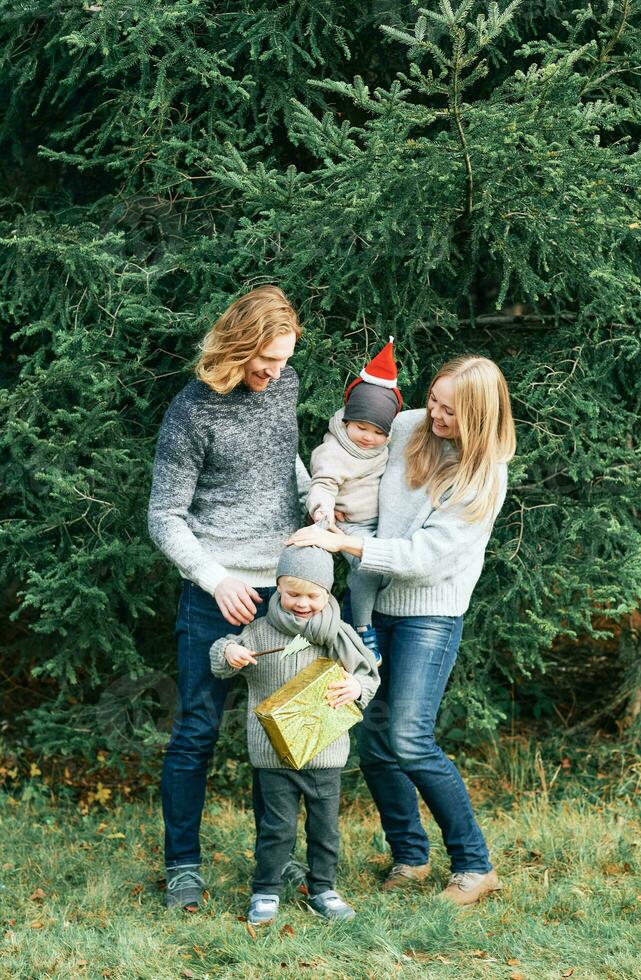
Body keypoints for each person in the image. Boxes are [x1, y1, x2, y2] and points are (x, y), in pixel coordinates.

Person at [288, 355, 516, 907]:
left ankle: (474, 864)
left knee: (410, 739)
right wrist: (332, 498)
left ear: (481, 417)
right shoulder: (411, 424)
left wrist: (346, 545)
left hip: (429, 612)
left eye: (448, 410)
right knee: (375, 740)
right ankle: (410, 856)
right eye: (433, 400)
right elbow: (351, 452)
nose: (432, 414)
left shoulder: (484, 475)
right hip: (371, 604)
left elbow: (424, 556)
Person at [147, 285, 310, 911]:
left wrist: (313, 496)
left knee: (283, 732)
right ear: (237, 346)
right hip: (214, 594)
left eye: (283, 361)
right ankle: (183, 867)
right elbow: (165, 517)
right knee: (195, 733)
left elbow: (283, 460)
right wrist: (217, 578)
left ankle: (280, 858)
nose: (273, 374)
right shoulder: (192, 412)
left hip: (284, 593)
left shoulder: (285, 386)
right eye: (264, 361)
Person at [209, 545, 379, 924]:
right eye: (293, 594)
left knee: (324, 828)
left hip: (325, 750)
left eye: (313, 595)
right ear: (278, 588)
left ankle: (323, 888)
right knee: (277, 826)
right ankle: (266, 890)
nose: (302, 603)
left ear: (329, 593)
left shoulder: (339, 635)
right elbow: (222, 658)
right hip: (273, 753)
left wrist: (356, 687)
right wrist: (230, 652)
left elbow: (368, 675)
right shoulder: (260, 629)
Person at [306, 339, 402, 663]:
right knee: (366, 567)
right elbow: (323, 484)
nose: (368, 437)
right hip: (350, 527)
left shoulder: (385, 448)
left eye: (378, 432)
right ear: (347, 420)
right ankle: (362, 628)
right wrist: (322, 509)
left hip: (383, 524)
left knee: (389, 568)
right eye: (361, 427)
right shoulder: (334, 451)